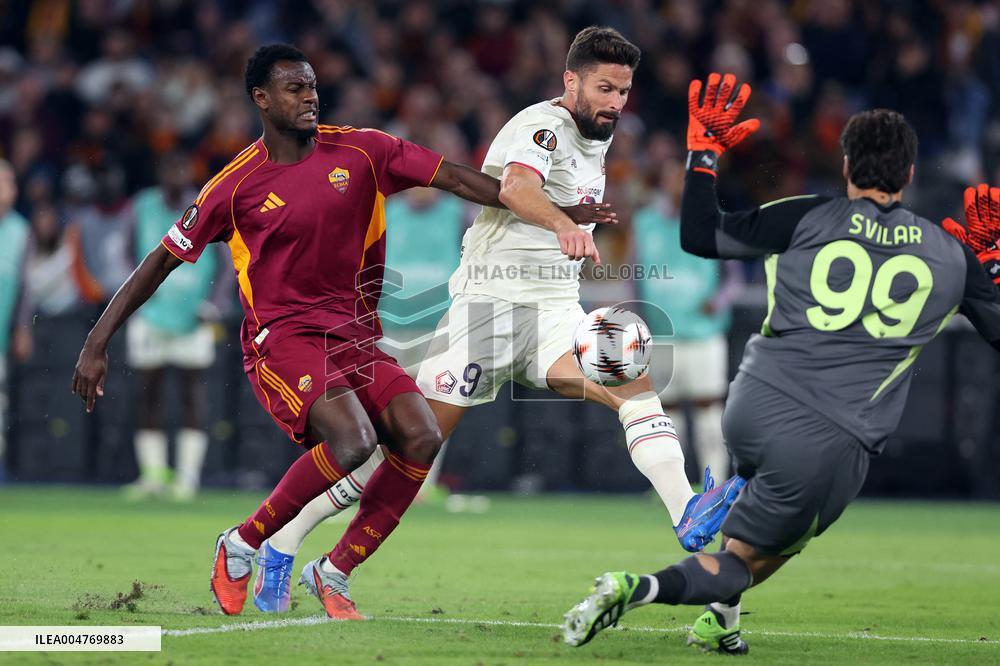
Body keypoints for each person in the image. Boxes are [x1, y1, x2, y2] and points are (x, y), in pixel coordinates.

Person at [71, 43, 607, 619]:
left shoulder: (364, 149)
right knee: (354, 442)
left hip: (354, 337)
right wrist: (95, 344)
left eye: (312, 86)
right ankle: (242, 543)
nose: (309, 96)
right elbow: (159, 261)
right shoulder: (234, 186)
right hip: (282, 340)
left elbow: (456, 178)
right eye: (294, 88)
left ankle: (333, 570)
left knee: (422, 435)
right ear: (261, 98)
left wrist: (554, 212)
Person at [252, 27, 746, 615]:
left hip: (554, 313)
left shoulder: (597, 136)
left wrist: (696, 161)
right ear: (571, 81)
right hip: (487, 312)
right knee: (402, 451)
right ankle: (285, 545)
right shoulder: (541, 125)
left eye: (623, 90)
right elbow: (515, 186)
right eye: (604, 88)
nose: (615, 101)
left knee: (630, 371)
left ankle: (685, 508)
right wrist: (562, 223)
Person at [562, 74, 1000, 653]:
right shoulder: (948, 254)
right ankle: (636, 587)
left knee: (758, 497)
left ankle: (724, 610)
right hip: (830, 436)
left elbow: (699, 235)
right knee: (748, 559)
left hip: (752, 402)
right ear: (912, 174)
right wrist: (990, 272)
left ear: (846, 165)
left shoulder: (805, 216)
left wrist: (703, 156)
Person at [122, 151, 225, 501]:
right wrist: (132, 291)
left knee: (191, 392)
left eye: (182, 167)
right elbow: (125, 251)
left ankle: (187, 477)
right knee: (147, 393)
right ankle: (152, 475)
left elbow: (227, 262)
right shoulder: (142, 206)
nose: (176, 174)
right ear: (161, 172)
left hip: (193, 316)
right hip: (150, 314)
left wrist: (214, 303)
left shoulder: (207, 203)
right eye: (170, 167)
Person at [633, 159, 742, 479]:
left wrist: (719, 300)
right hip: (661, 334)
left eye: (684, 180)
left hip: (703, 333)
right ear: (663, 181)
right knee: (666, 417)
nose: (678, 185)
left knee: (710, 412)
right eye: (673, 178)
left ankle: (714, 486)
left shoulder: (712, 221)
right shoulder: (645, 223)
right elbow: (633, 275)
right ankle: (672, 487)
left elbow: (735, 277)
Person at [0, 160, 29, 481]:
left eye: (9, 182)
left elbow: (24, 285)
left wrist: (22, 327)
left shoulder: (21, 230)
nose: (8, 189)